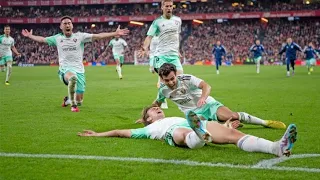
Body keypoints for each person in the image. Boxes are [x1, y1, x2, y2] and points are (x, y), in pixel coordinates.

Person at [78, 104, 298, 157]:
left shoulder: (174, 115)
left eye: (157, 108)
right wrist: (97, 134)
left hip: (196, 125)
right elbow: (119, 132)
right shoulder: (150, 129)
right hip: (176, 133)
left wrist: (225, 126)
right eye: (152, 112)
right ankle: (198, 136)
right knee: (180, 134)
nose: (157, 110)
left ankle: (276, 147)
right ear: (147, 120)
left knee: (233, 135)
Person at [21, 16, 129, 112]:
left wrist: (115, 33)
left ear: (72, 26)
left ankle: (68, 100)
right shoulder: (57, 38)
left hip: (79, 70)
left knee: (80, 100)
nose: (67, 25)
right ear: (61, 27)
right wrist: (30, 36)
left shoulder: (80, 36)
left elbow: (98, 36)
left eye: (69, 23)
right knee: (73, 78)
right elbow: (42, 39)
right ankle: (73, 106)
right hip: (65, 70)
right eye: (65, 23)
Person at [153, 63, 286, 129]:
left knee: (231, 115)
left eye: (172, 78)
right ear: (161, 79)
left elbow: (206, 86)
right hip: (193, 114)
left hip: (208, 105)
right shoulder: (163, 90)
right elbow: (156, 104)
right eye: (166, 80)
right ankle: (225, 125)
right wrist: (147, 116)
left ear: (176, 74)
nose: (170, 82)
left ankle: (265, 123)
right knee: (202, 127)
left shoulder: (186, 79)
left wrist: (203, 98)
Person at [139, 0, 183, 75]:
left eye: (170, 6)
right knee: (164, 81)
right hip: (162, 55)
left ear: (172, 7)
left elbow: (176, 36)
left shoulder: (178, 20)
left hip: (174, 55)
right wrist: (144, 48)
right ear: (162, 7)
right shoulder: (157, 22)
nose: (169, 8)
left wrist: (178, 50)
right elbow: (149, 37)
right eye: (166, 6)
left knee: (180, 79)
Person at [149, 35, 168, 109]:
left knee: (162, 80)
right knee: (162, 80)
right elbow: (151, 51)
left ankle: (162, 100)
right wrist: (151, 64)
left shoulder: (164, 36)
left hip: (164, 58)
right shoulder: (153, 38)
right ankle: (162, 100)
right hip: (156, 60)